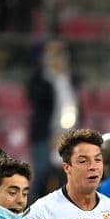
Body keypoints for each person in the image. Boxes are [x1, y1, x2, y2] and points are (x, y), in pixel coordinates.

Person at [27, 39, 79, 197]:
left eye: (61, 55)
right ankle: (33, 214)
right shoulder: (40, 79)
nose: (59, 59)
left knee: (66, 178)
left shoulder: (69, 80)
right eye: (54, 55)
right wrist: (52, 76)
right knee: (42, 176)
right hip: (45, 136)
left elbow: (75, 107)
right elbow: (36, 100)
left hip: (67, 136)